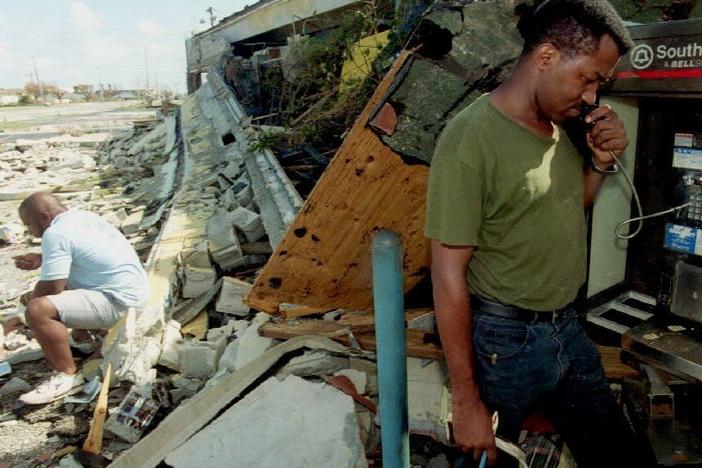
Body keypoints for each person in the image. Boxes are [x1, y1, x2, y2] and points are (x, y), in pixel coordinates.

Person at [425, 1, 652, 466]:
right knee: (488, 455)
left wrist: (599, 164)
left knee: (618, 452)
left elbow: (568, 209)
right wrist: (467, 403)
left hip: (567, 329)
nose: (592, 97)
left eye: (600, 85)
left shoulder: (557, 129)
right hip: (505, 342)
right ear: (546, 56)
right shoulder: (471, 136)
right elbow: (446, 275)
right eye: (588, 78)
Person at [13, 192, 149, 404]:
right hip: (137, 292)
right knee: (61, 281)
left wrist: (22, 310)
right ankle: (83, 339)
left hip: (122, 305)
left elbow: (52, 287)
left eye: (28, 224)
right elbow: (88, 253)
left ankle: (66, 376)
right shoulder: (83, 217)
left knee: (37, 309)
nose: (29, 231)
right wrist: (43, 258)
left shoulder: (55, 234)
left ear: (44, 216)